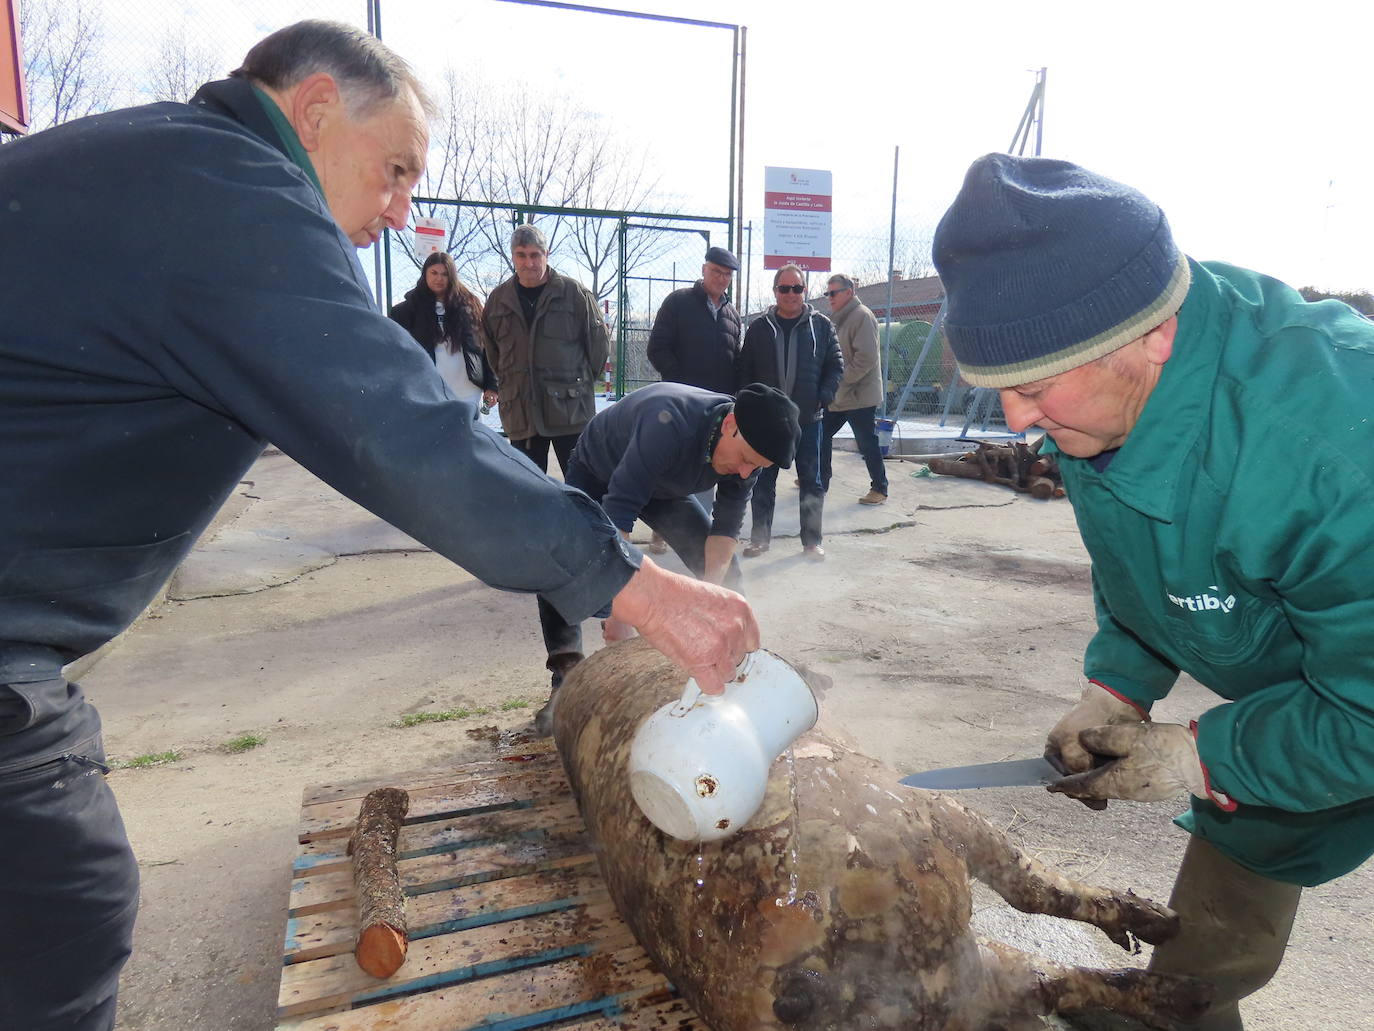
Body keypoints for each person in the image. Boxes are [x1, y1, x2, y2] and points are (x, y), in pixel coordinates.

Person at [0, 21, 756, 1031]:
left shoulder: (164, 165)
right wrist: (633, 581)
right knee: (63, 917)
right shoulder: (231, 192)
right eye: (394, 170)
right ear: (311, 111)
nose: (403, 211)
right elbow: (403, 433)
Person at [932, 152, 1374, 1031]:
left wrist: (1199, 756)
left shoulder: (1333, 454)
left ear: (1153, 335)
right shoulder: (1102, 397)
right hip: (1316, 682)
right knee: (1194, 974)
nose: (1016, 422)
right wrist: (1116, 685)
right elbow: (1140, 556)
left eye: (1032, 387)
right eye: (998, 390)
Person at [532, 381, 802, 732]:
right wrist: (620, 612)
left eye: (757, 467)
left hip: (665, 485)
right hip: (600, 469)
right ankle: (565, 679)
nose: (747, 472)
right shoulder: (669, 422)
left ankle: (738, 665)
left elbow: (723, 537)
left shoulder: (748, 457)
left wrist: (709, 604)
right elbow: (620, 513)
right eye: (747, 461)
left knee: (725, 572)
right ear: (729, 424)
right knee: (563, 563)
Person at [482, 224, 609, 477]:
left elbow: (598, 348)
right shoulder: (498, 300)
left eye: (535, 255)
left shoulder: (574, 295)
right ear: (512, 256)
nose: (529, 263)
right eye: (521, 255)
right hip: (522, 413)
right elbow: (493, 354)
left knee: (584, 487)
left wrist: (577, 385)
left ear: (546, 254)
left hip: (570, 413)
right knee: (528, 492)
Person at [735, 263, 843, 560]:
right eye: (785, 288)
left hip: (808, 420)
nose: (791, 294)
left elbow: (835, 364)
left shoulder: (821, 326)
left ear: (804, 291)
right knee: (762, 481)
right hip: (769, 423)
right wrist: (749, 407)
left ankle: (811, 542)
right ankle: (760, 539)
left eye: (797, 288)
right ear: (775, 292)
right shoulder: (758, 328)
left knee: (812, 481)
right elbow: (745, 371)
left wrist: (824, 396)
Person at [644, 244, 743, 554]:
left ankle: (697, 531)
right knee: (671, 464)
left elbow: (734, 360)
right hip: (679, 405)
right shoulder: (678, 303)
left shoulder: (732, 315)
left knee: (706, 467)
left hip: (716, 411)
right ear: (703, 270)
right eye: (716, 271)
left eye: (727, 274)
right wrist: (680, 385)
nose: (721, 278)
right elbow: (657, 348)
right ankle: (662, 528)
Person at [388, 251, 498, 411]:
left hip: (468, 392)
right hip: (427, 392)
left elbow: (486, 347)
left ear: (452, 277)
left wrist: (492, 385)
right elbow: (396, 352)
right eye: (434, 273)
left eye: (445, 274)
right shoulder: (406, 311)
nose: (439, 278)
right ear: (425, 273)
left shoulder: (469, 306)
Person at [820, 273, 888, 505]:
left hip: (859, 395)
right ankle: (821, 479)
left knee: (867, 442)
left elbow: (866, 358)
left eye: (833, 293)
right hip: (841, 395)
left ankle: (880, 488)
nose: (829, 297)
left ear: (849, 292)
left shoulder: (862, 316)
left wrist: (838, 379)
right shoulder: (840, 318)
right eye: (827, 293)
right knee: (821, 434)